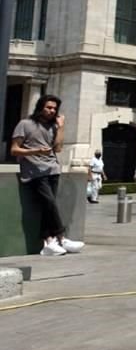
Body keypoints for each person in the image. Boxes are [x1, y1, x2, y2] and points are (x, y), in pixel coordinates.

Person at [11, 95, 85, 255]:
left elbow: (57, 148)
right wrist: (35, 151)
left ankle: (49, 242)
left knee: (47, 206)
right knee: (50, 203)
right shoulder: (25, 124)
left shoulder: (53, 127)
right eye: (48, 107)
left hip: (52, 169)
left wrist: (61, 127)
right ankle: (61, 237)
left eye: (54, 109)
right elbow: (14, 149)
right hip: (34, 171)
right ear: (40, 107)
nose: (52, 111)